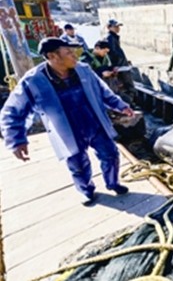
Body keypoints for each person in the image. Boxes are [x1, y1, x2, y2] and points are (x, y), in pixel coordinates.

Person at [0, 38, 134, 206]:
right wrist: (16, 140)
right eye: (69, 53)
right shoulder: (33, 81)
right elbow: (12, 111)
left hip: (95, 123)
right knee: (78, 166)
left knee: (111, 154)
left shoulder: (84, 70)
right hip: (68, 131)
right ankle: (86, 191)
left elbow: (103, 91)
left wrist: (121, 106)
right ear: (52, 56)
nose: (74, 56)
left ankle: (113, 183)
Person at [105, 19, 136, 104]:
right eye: (115, 26)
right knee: (128, 86)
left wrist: (126, 61)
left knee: (127, 85)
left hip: (122, 65)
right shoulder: (110, 38)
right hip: (120, 67)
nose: (118, 28)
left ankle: (130, 102)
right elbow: (113, 54)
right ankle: (129, 103)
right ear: (109, 27)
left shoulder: (114, 37)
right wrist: (118, 65)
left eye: (118, 26)